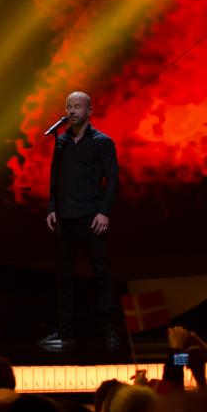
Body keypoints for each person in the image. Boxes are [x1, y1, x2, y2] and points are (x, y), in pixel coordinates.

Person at [41, 91, 121, 351]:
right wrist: (52, 207)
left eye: (78, 107)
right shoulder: (62, 141)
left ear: (89, 111)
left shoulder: (102, 142)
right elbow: (55, 177)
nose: (72, 111)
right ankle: (65, 330)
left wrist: (104, 212)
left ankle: (111, 330)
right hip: (65, 217)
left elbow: (112, 179)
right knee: (64, 277)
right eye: (69, 106)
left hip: (91, 216)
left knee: (102, 274)